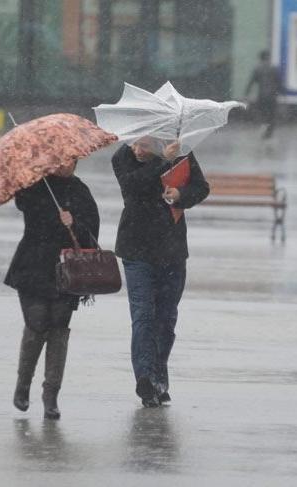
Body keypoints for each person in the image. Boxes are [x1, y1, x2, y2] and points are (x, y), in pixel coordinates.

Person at [111, 137, 209, 407]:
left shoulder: (181, 154)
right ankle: (144, 378)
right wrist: (163, 162)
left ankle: (158, 378)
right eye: (135, 144)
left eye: (144, 146)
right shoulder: (122, 157)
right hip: (136, 250)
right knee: (143, 315)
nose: (138, 150)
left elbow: (201, 187)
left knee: (166, 320)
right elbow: (133, 186)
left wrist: (182, 196)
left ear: (157, 141)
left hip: (172, 250)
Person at [5, 161, 100, 420]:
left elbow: (92, 233)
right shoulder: (35, 185)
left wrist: (74, 223)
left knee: (58, 328)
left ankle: (51, 394)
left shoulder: (80, 190)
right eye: (61, 160)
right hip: (32, 265)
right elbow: (23, 202)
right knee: (36, 324)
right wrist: (31, 177)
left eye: (72, 161)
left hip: (66, 270)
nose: (66, 165)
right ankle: (23, 385)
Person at [244, 50, 282, 139]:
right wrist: (281, 93)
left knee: (263, 113)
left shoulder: (258, 69)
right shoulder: (274, 68)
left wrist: (246, 93)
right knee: (272, 114)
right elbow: (279, 82)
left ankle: (264, 127)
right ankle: (269, 131)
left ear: (260, 58)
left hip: (262, 96)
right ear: (268, 57)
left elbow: (251, 82)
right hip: (272, 96)